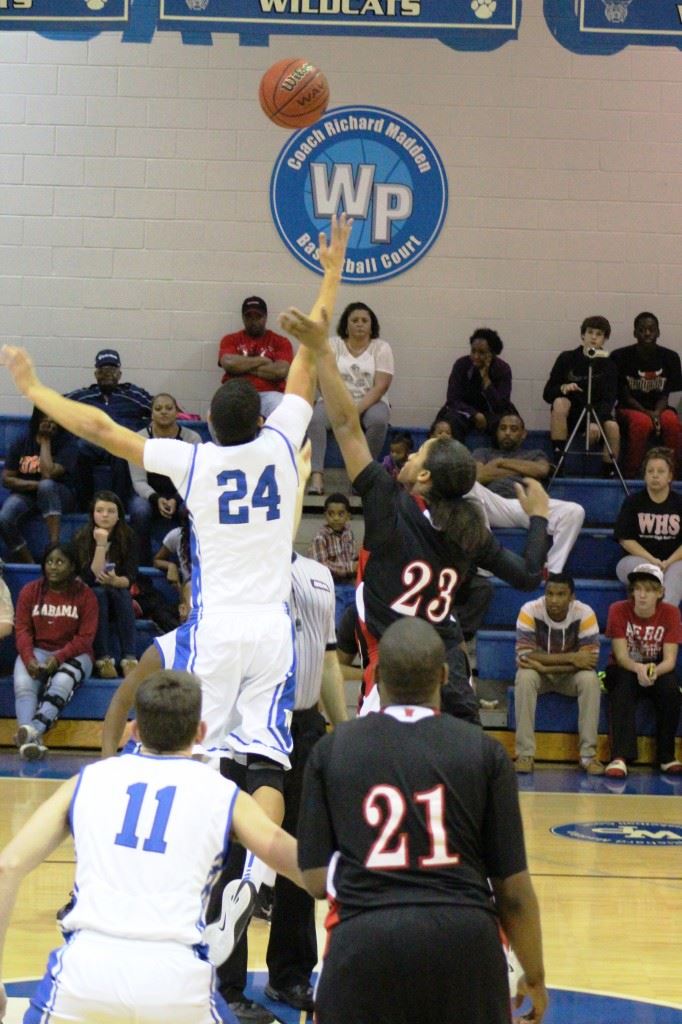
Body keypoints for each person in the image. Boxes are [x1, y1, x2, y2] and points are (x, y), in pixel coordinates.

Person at [3, 212, 352, 836]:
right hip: (272, 629)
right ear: (263, 417)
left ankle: (207, 862)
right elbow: (308, 353)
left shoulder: (195, 460)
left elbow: (102, 430)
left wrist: (38, 390)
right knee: (269, 758)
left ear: (211, 425)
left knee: (208, 758)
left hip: (216, 627)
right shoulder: (281, 443)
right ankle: (260, 879)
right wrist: (331, 274)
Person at [279, 301, 550, 724]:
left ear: (423, 475)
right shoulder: (468, 527)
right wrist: (538, 517)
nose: (406, 453)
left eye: (419, 450)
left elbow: (348, 425)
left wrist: (323, 353)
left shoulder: (390, 502)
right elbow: (530, 574)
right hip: (450, 674)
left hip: (394, 674)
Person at [0, 671, 305, 1024]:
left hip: (85, 974)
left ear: (134, 731)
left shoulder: (86, 782)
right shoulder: (222, 793)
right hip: (175, 978)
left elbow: (7, 867)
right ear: (200, 733)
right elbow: (290, 856)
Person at [297, 617, 548, 1024]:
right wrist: (533, 974)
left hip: (364, 942)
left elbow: (313, 880)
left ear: (375, 675)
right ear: (445, 675)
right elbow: (514, 891)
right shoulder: (486, 753)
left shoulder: (331, 750)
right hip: (465, 944)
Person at [208, 553, 347, 1023]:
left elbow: (327, 660)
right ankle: (226, 984)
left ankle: (290, 974)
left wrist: (341, 730)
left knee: (301, 852)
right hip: (249, 727)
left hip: (305, 725)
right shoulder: (237, 567)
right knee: (239, 853)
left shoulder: (319, 574)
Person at [468, 412, 585, 573]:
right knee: (470, 487)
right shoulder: (483, 452)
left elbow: (541, 470)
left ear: (523, 434)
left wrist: (501, 463)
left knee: (575, 511)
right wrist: (522, 470)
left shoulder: (535, 454)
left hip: (529, 507)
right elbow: (478, 475)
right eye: (503, 428)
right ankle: (485, 562)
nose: (507, 432)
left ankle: (552, 569)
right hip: (494, 505)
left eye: (514, 429)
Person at [13, 541, 98, 761]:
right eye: (49, 561)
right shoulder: (30, 591)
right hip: (37, 650)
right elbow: (22, 630)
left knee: (61, 682)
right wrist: (29, 658)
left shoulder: (85, 595)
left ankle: (31, 732)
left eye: (60, 562)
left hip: (75, 654)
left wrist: (57, 658)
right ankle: (31, 744)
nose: (53, 566)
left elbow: (85, 638)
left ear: (72, 566)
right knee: (24, 686)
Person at [513, 573, 604, 775]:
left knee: (590, 680)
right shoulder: (529, 610)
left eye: (561, 594)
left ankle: (588, 755)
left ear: (572, 597)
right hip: (541, 674)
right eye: (550, 594)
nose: (554, 600)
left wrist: (546, 665)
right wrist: (572, 658)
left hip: (568, 675)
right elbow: (525, 656)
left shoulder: (585, 613)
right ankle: (525, 754)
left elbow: (589, 661)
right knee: (524, 677)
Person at [307, 301, 394, 496]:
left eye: (365, 320)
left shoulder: (381, 347)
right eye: (355, 320)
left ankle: (361, 476)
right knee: (315, 419)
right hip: (334, 400)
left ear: (372, 325)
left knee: (379, 420)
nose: (360, 324)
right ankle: (317, 476)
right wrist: (339, 405)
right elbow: (321, 377)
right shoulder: (333, 344)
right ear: (346, 325)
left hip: (371, 401)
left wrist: (354, 410)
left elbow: (382, 385)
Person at [604, 563, 682, 777]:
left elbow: (670, 660)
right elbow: (620, 656)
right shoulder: (618, 610)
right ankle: (620, 757)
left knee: (671, 690)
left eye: (648, 590)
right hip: (625, 667)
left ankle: (666, 756)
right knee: (622, 686)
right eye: (638, 589)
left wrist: (654, 671)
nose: (642, 595)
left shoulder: (671, 613)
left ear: (660, 593)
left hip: (657, 667)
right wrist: (638, 668)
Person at [66, 348, 153, 505]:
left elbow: (161, 407)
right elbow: (55, 406)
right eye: (103, 370)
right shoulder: (83, 396)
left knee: (120, 448)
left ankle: (117, 505)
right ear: (96, 374)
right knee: (79, 448)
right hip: (92, 443)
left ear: (119, 374)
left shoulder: (134, 395)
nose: (107, 374)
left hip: (121, 444)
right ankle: (85, 504)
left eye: (112, 370)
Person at [127, 392, 202, 564]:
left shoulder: (192, 439)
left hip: (181, 493)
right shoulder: (139, 439)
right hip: (149, 495)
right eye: (158, 408)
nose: (164, 412)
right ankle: (142, 567)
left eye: (169, 408)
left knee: (193, 507)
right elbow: (138, 481)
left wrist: (176, 498)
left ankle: (191, 563)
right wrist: (156, 499)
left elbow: (195, 477)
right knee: (139, 510)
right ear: (151, 413)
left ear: (177, 412)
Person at [543, 315, 620, 477]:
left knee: (613, 427)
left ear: (605, 339)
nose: (593, 337)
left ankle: (609, 472)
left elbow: (609, 399)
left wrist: (594, 422)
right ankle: (559, 461)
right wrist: (563, 388)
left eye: (599, 334)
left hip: (597, 413)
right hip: (572, 414)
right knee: (559, 402)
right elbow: (547, 393)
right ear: (582, 335)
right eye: (590, 332)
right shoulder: (567, 358)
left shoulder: (609, 365)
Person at [74, 490, 139, 680]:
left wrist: (115, 580)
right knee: (99, 592)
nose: (104, 515)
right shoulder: (82, 537)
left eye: (111, 511)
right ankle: (103, 659)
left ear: (119, 515)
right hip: (93, 598)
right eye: (100, 510)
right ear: (92, 514)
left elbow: (131, 576)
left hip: (119, 597)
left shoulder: (129, 537)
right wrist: (101, 544)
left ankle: (129, 658)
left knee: (121, 592)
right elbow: (89, 576)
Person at [0, 407, 78, 563]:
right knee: (4, 518)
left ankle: (53, 546)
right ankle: (29, 562)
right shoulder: (23, 441)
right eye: (45, 419)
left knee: (47, 486)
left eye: (53, 420)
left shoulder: (67, 442)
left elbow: (48, 473)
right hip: (28, 495)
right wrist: (35, 485)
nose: (49, 424)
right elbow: (7, 479)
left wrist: (45, 442)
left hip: (60, 495)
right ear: (37, 420)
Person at [611, 312, 682, 478]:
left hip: (660, 408)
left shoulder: (670, 357)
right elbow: (624, 395)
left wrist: (657, 413)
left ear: (658, 332)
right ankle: (631, 473)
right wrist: (648, 414)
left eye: (651, 329)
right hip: (630, 407)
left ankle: (675, 472)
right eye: (642, 330)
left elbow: (666, 393)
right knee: (642, 424)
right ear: (635, 333)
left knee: (671, 422)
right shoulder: (620, 356)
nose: (647, 333)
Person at [614, 446, 682, 607]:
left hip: (674, 562)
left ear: (670, 476)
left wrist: (667, 563)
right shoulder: (633, 502)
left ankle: (663, 620)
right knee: (646, 571)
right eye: (650, 471)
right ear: (644, 476)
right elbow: (625, 540)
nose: (655, 476)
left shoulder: (679, 503)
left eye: (660, 471)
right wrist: (653, 562)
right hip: (636, 561)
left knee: (677, 573)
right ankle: (644, 618)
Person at [218, 296, 294, 419]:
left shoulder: (281, 342)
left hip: (270, 394)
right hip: (236, 393)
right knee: (214, 414)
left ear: (266, 317)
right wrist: (262, 361)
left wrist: (242, 366)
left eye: (258, 317)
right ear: (243, 318)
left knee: (283, 410)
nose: (253, 321)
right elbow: (229, 363)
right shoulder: (230, 339)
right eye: (249, 317)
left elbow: (280, 371)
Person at [435, 327, 514, 443]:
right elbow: (452, 399)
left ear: (492, 354)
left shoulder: (503, 369)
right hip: (464, 412)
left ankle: (498, 459)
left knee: (504, 424)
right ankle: (456, 458)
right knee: (450, 421)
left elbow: (501, 406)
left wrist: (487, 381)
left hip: (491, 413)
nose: (476, 356)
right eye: (473, 351)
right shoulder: (461, 365)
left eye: (481, 353)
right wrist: (474, 414)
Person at [309, 492, 358, 583]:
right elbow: (321, 566)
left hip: (347, 581)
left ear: (348, 516)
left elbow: (352, 557)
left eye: (341, 514)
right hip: (327, 583)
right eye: (331, 514)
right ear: (325, 516)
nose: (336, 518)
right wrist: (350, 567)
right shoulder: (320, 537)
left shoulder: (348, 534)